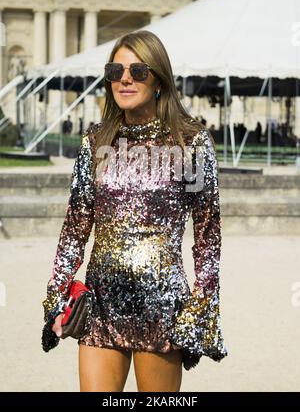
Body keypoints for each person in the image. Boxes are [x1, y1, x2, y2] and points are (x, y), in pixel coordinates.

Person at [41, 30, 227, 392]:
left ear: (159, 79)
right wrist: (57, 294)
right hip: (100, 305)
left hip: (161, 310)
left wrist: (201, 305)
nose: (125, 79)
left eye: (138, 71)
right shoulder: (95, 142)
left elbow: (208, 239)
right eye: (115, 71)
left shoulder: (191, 144)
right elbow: (74, 231)